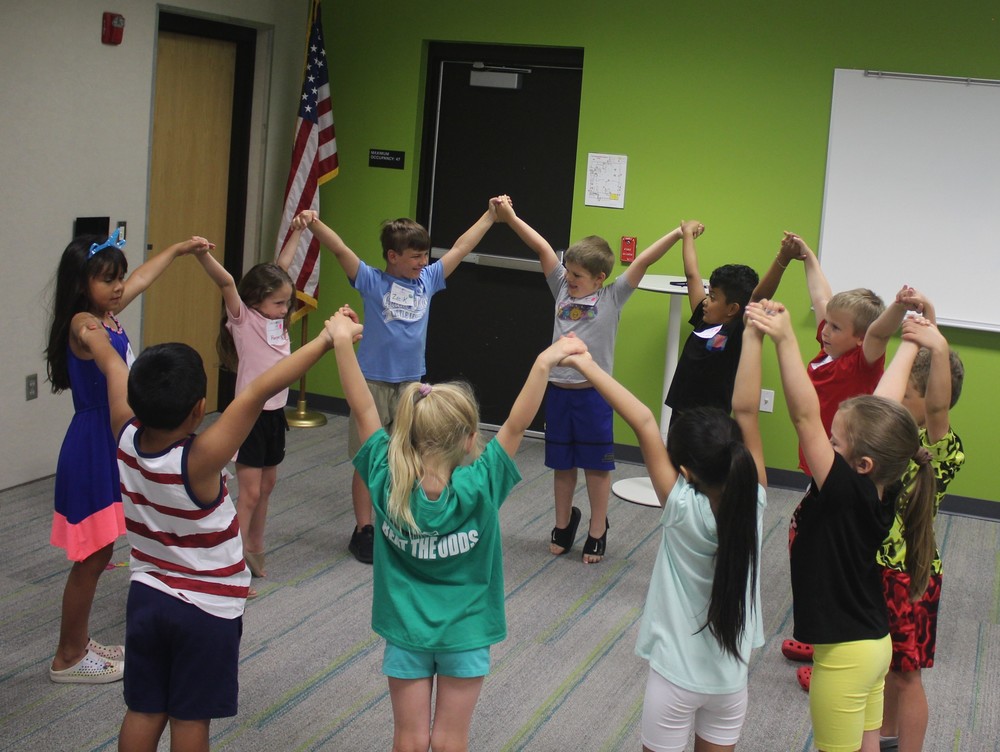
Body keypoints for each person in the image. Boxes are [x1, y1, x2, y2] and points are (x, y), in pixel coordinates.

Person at [72, 301, 343, 752]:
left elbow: (110, 363)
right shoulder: (197, 461)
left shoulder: (122, 433)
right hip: (205, 610)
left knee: (144, 709)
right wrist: (326, 339)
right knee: (190, 719)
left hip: (147, 596)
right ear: (199, 410)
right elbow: (258, 392)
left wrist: (90, 331)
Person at [328, 305, 587, 752]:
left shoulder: (384, 478)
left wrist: (339, 343)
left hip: (405, 632)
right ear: (470, 440)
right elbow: (517, 423)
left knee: (408, 739)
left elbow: (362, 406)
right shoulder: (482, 483)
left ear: (405, 433)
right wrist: (545, 361)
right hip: (466, 634)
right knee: (451, 740)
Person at [562, 320, 767, 752]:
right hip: (732, 681)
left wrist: (586, 363)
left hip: (675, 679)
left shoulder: (681, 508)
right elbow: (746, 410)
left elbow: (641, 419)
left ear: (687, 472)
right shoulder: (756, 504)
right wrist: (755, 338)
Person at [746, 299, 936, 752]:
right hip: (874, 644)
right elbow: (884, 406)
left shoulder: (844, 491)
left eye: (835, 443)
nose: (825, 445)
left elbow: (804, 415)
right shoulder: (883, 482)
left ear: (861, 463)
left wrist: (787, 338)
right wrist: (908, 340)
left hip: (846, 655)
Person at [44, 229, 212, 684]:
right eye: (106, 279)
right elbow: (109, 360)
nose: (119, 287)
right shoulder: (86, 323)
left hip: (106, 440)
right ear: (83, 284)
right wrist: (133, 396)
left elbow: (141, 279)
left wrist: (177, 249)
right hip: (95, 445)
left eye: (118, 277)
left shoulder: (107, 311)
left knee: (100, 554)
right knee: (93, 558)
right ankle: (68, 657)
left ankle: (77, 642)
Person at [495, 196, 696, 563]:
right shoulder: (559, 287)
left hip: (594, 398)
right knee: (562, 465)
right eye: (567, 272)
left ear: (600, 278)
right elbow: (540, 245)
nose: (568, 279)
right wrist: (509, 218)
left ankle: (598, 528)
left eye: (577, 276)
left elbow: (644, 259)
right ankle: (562, 523)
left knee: (596, 467)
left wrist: (679, 234)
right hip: (558, 393)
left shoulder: (613, 297)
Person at [304, 201, 501, 563]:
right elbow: (339, 249)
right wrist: (314, 224)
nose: (422, 262)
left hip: (412, 385)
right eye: (414, 256)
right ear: (392, 256)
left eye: (425, 255)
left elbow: (460, 247)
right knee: (368, 459)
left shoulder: (427, 280)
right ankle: (363, 529)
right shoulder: (370, 280)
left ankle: (393, 521)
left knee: (405, 458)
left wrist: (490, 216)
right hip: (374, 385)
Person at [195, 210, 311, 592]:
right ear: (257, 300)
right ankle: (231, 557)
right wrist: (202, 255)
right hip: (249, 416)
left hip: (275, 415)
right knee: (251, 492)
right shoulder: (244, 319)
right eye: (280, 303)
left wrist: (296, 229)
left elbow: (282, 267)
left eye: (286, 302)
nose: (286, 309)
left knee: (269, 484)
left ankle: (255, 546)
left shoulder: (275, 316)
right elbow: (227, 281)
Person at [872, 308, 965, 752]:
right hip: (880, 570)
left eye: (907, 391)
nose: (897, 397)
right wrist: (923, 322)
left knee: (908, 675)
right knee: (887, 666)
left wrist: (940, 347)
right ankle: (887, 735)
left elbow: (939, 405)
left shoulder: (937, 449)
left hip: (910, 577)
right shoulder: (894, 443)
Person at [752, 232, 911, 476]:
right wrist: (807, 256)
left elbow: (879, 334)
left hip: (843, 464)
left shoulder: (862, 364)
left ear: (860, 338)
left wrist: (899, 307)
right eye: (827, 323)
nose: (825, 331)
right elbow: (821, 296)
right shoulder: (827, 350)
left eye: (835, 327)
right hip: (816, 453)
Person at [664, 219, 759, 423]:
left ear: (732, 309)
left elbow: (761, 294)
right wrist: (687, 234)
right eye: (708, 293)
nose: (706, 301)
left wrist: (782, 260)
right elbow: (692, 274)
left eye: (713, 297)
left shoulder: (737, 331)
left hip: (710, 425)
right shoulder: (704, 320)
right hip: (680, 416)